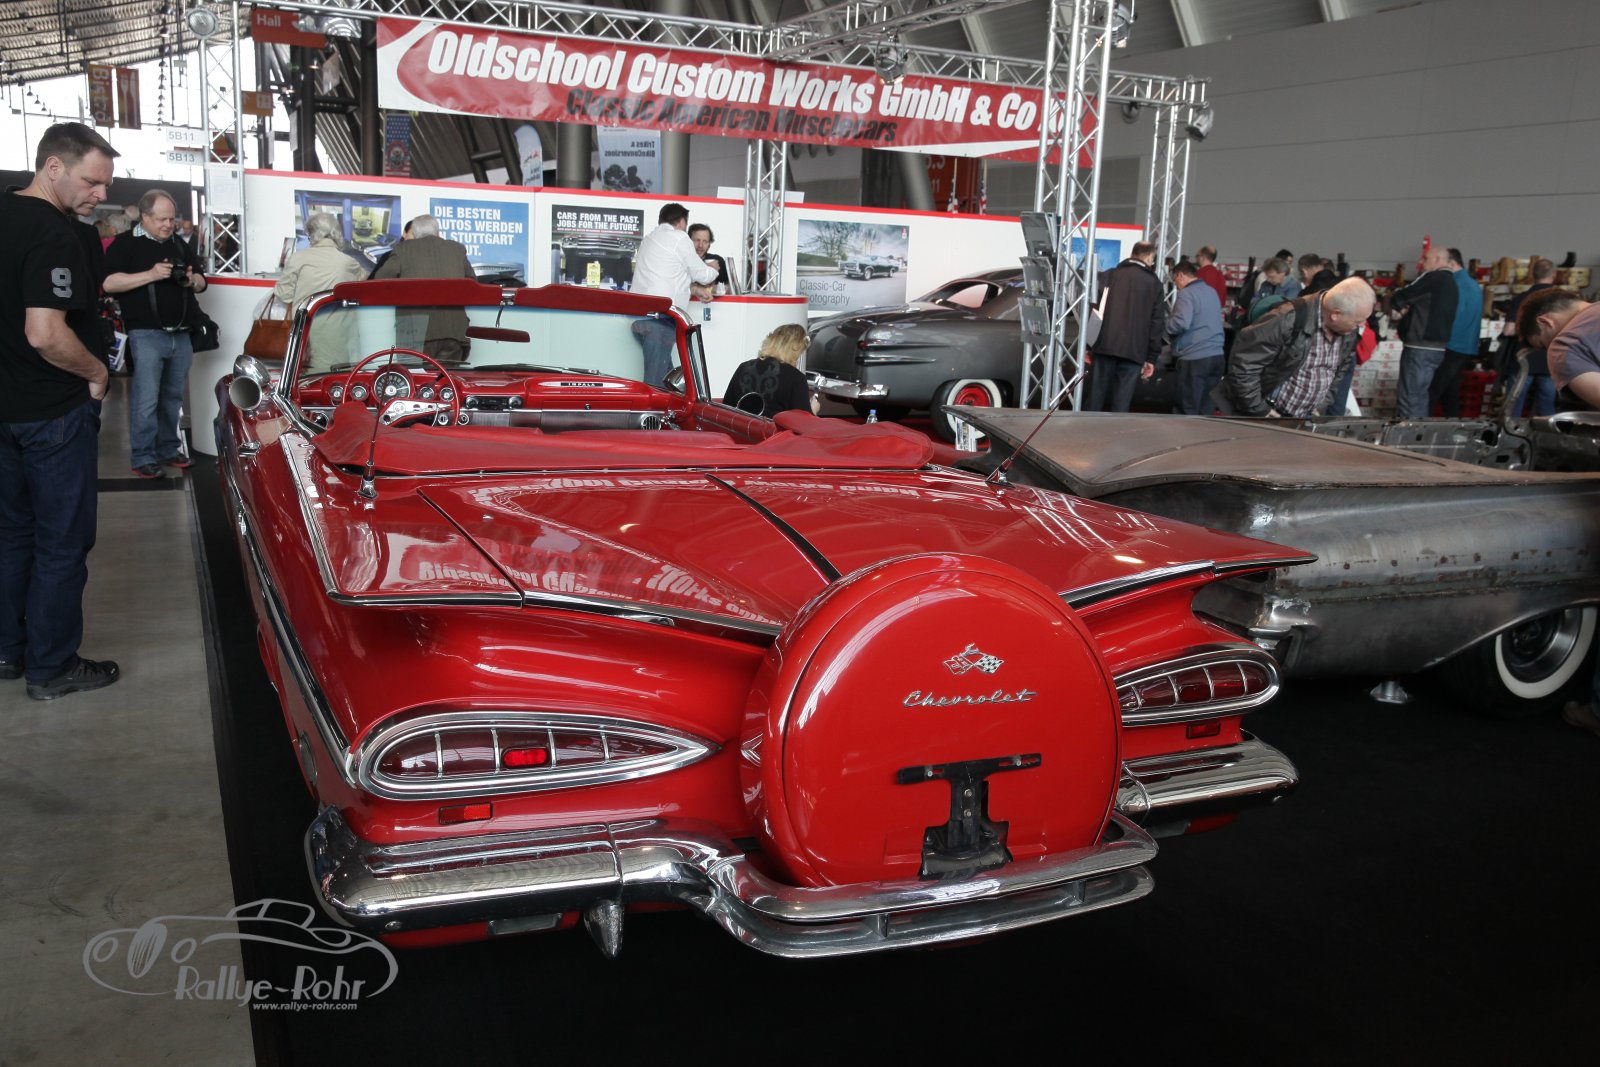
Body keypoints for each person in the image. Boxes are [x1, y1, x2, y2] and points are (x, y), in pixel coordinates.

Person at [0, 122, 121, 701]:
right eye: (92, 182)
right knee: (62, 542)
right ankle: (51, 666)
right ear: (54, 167)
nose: (101, 194)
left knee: (12, 533)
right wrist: (97, 373)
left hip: (7, 409)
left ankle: (9, 650)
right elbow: (45, 333)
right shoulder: (54, 233)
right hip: (51, 412)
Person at [103, 190, 208, 479]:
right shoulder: (126, 244)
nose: (168, 225)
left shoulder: (178, 243)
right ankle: (143, 456)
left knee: (173, 398)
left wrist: (192, 280)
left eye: (172, 219)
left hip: (181, 334)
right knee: (146, 399)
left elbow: (202, 282)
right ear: (145, 217)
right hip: (146, 334)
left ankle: (169, 449)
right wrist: (151, 274)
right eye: (162, 219)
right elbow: (109, 283)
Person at [1212, 277, 1376, 418]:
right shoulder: (1288, 319)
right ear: (1335, 315)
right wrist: (1259, 409)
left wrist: (1321, 404)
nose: (1361, 325)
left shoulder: (1348, 330)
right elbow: (1245, 364)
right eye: (1358, 321)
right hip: (1266, 417)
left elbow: (1339, 371)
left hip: (1303, 419)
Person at [631, 203, 719, 386]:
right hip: (660, 319)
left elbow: (670, 276)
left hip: (640, 317)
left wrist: (694, 290)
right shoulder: (679, 237)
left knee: (668, 378)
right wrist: (713, 269)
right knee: (656, 382)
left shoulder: (649, 239)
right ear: (681, 222)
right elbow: (702, 275)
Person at [371, 214, 474, 362]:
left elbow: (379, 282)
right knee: (446, 377)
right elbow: (472, 285)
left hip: (414, 332)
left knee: (415, 376)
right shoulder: (457, 249)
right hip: (453, 332)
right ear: (438, 232)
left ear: (413, 233)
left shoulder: (403, 250)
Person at [1086, 241, 1165, 412]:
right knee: (1121, 403)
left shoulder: (1110, 275)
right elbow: (1156, 322)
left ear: (1132, 253)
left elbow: (1096, 311)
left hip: (1105, 346)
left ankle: (1086, 428)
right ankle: (1116, 429)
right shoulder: (1154, 284)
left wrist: (1089, 345)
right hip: (1135, 351)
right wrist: (1151, 357)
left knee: (1095, 398)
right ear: (1149, 256)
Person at [1387, 244, 1457, 418]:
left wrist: (1398, 306)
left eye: (1426, 258)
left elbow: (1402, 295)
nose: (1422, 263)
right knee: (1420, 396)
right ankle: (1418, 431)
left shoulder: (1432, 278)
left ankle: (1408, 433)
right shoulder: (1452, 283)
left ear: (1438, 260)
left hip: (1419, 347)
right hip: (1438, 349)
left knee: (1409, 397)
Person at [1165, 260, 1226, 415]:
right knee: (1206, 410)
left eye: (1175, 281)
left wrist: (1165, 325)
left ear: (1181, 275)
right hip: (1217, 356)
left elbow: (1181, 323)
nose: (1176, 286)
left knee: (1186, 410)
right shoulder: (1211, 291)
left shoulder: (1186, 294)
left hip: (1195, 358)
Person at [1502, 258, 1559, 417]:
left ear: (1532, 275)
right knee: (1546, 407)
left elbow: (1508, 331)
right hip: (1551, 360)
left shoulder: (1521, 299)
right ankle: (1545, 433)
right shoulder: (1563, 301)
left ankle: (1511, 433)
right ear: (1554, 275)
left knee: (1513, 407)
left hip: (1523, 359)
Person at [1431, 248, 1484, 417]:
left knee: (1433, 391)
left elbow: (1451, 314)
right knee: (1450, 392)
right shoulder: (1472, 284)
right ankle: (1453, 425)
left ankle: (1420, 426)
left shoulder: (1455, 284)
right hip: (1465, 345)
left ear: (1451, 263)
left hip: (1453, 344)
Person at [722, 324, 814, 417]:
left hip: (739, 425)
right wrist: (813, 409)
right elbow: (803, 421)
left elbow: (726, 408)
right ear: (795, 350)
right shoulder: (796, 378)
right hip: (773, 426)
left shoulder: (743, 367)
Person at [276, 212, 364, 309]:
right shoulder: (351, 263)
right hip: (340, 318)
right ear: (338, 233)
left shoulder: (297, 258)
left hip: (307, 318)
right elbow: (365, 287)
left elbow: (284, 294)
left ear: (312, 235)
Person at [688, 223, 731, 290]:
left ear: (709, 244)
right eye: (697, 240)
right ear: (688, 241)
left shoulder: (717, 260)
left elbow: (729, 287)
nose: (700, 245)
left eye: (705, 241)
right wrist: (705, 268)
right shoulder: (681, 261)